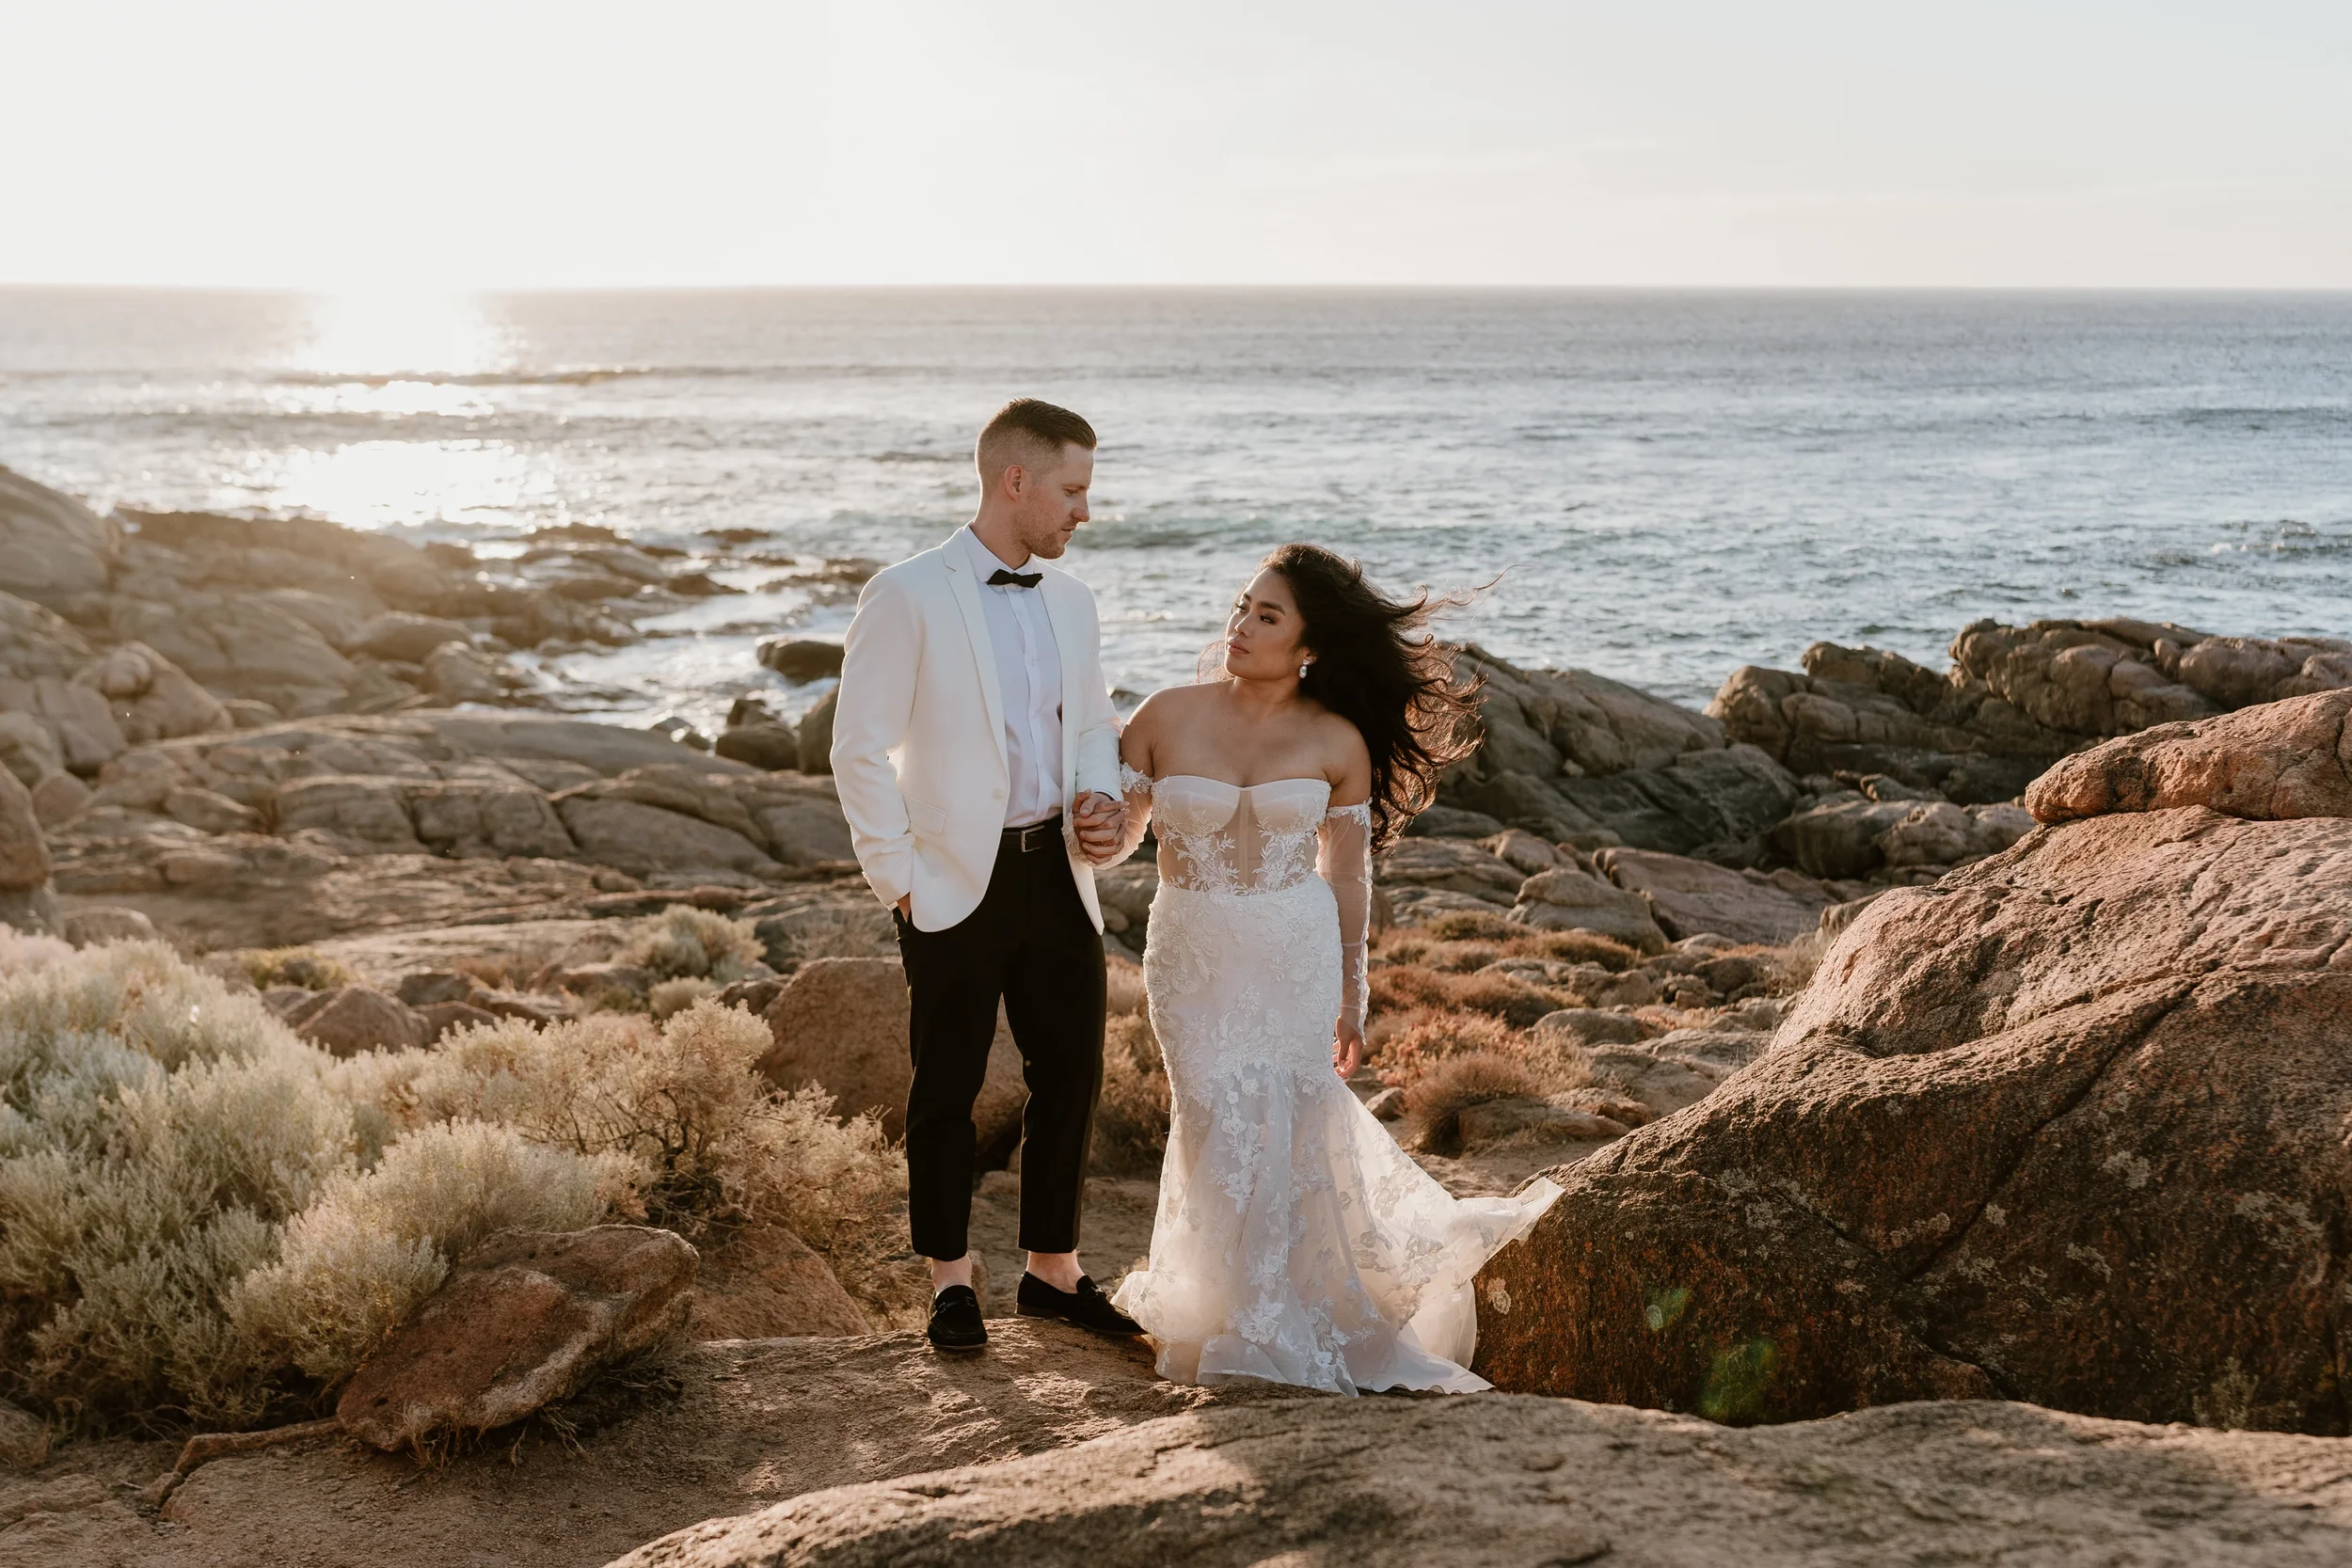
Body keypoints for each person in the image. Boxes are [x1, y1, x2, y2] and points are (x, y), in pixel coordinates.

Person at [1103, 545, 1563, 1393]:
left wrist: (1353, 996)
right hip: (1193, 952)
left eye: (1267, 616)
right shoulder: (1165, 713)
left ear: (1307, 643)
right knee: (1211, 1114)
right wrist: (1098, 828)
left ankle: (1281, 1312)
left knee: (1292, 1116)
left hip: (1293, 949)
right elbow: (1123, 832)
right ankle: (1224, 1308)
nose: (1240, 625)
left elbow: (1346, 873)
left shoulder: (1336, 738)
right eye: (1242, 606)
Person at [831, 398, 1142, 1353]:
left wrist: (1098, 805)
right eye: (1072, 490)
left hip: (1057, 872)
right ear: (1017, 480)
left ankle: (1053, 1271)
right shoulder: (909, 591)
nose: (1082, 513)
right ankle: (950, 1282)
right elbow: (856, 745)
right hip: (952, 880)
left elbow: (1091, 725)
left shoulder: (1073, 600)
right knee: (947, 1086)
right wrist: (902, 879)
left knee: (1073, 1075)